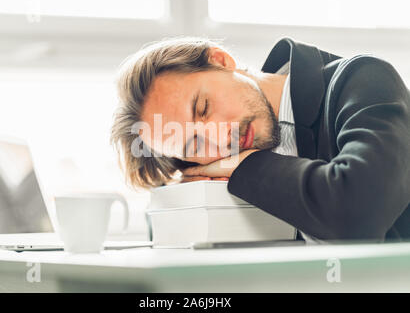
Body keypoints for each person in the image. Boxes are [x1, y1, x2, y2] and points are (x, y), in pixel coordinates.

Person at [111, 37, 410, 242]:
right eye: (194, 145)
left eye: (203, 109)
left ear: (221, 60)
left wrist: (247, 165)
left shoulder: (364, 80)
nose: (220, 138)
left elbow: (358, 210)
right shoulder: (219, 168)